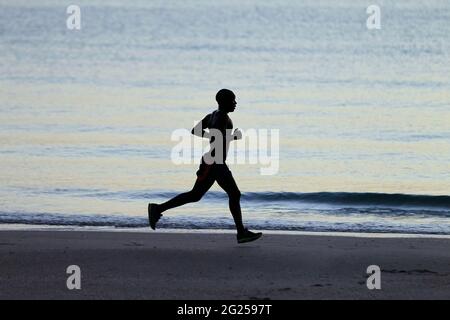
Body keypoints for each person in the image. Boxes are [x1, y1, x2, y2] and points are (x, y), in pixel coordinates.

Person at [148, 89, 262, 244]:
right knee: (234, 194)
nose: (235, 103)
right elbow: (217, 137)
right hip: (215, 162)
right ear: (224, 102)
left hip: (212, 161)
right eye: (233, 100)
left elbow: (196, 131)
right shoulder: (221, 117)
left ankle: (157, 209)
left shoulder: (213, 115)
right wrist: (234, 136)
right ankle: (241, 232)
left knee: (195, 195)